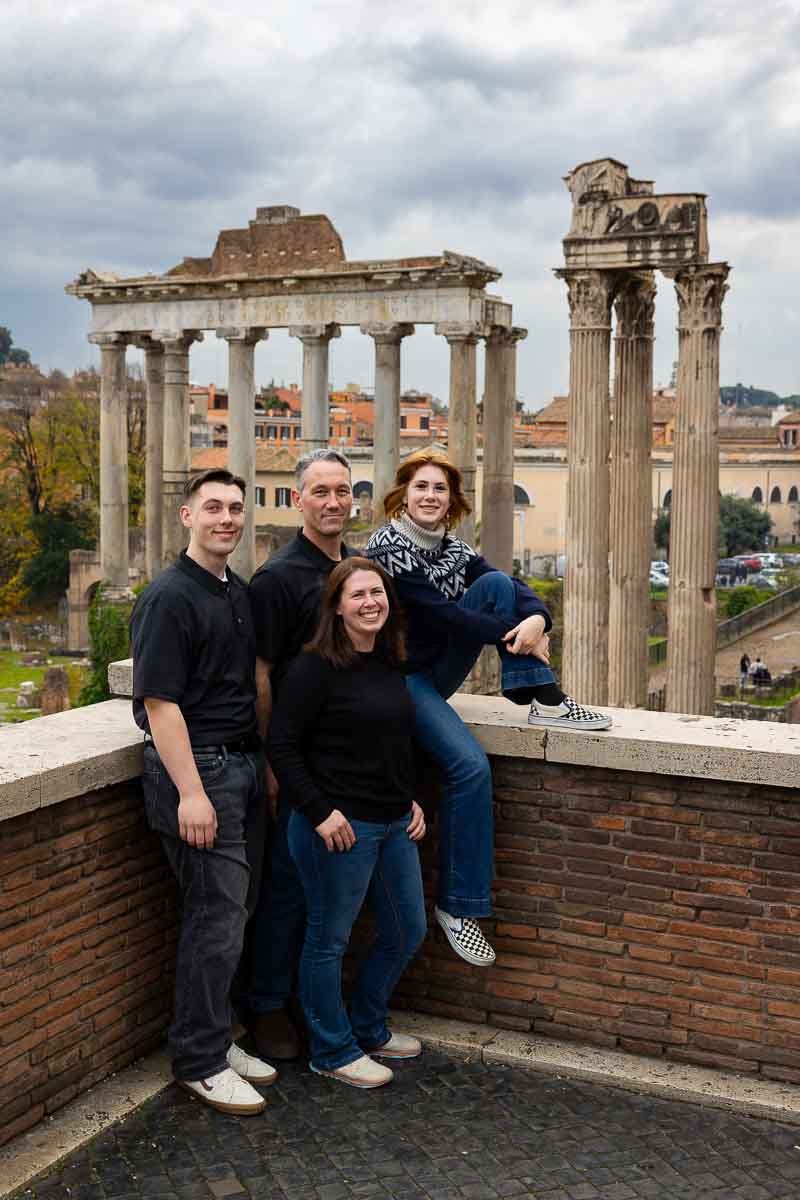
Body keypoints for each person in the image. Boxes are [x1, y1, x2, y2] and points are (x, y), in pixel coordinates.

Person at [366, 448, 611, 968]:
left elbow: (512, 588)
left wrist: (538, 620)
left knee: (499, 585)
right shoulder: (388, 548)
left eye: (440, 490)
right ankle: (457, 906)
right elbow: (443, 616)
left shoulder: (454, 549)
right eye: (421, 487)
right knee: (470, 767)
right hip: (395, 681)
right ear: (402, 495)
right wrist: (517, 634)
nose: (430, 497)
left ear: (452, 502)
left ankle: (542, 701)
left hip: (434, 671)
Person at [130, 469, 275, 1116]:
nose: (227, 518)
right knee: (213, 922)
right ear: (186, 516)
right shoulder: (169, 598)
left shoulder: (235, 592)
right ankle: (198, 1060)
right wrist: (192, 793)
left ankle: (218, 1036)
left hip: (242, 769)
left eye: (235, 508)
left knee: (235, 915)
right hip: (201, 775)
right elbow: (160, 703)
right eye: (212, 507)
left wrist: (263, 766)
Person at [268, 558, 427, 1089]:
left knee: (407, 929)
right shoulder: (313, 668)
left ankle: (367, 1026)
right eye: (357, 595)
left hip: (390, 821)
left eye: (377, 593)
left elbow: (394, 743)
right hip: (337, 827)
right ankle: (332, 1050)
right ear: (337, 606)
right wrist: (318, 812)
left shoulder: (387, 661)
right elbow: (283, 747)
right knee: (327, 941)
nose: (369, 603)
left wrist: (410, 801)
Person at [245, 448, 354, 1062]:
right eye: (321, 492)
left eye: (341, 490)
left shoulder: (356, 571)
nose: (333, 501)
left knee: (331, 894)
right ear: (298, 501)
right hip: (295, 755)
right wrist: (270, 762)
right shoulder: (278, 578)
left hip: (346, 756)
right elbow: (261, 676)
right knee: (286, 889)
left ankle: (316, 1007)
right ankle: (265, 1008)